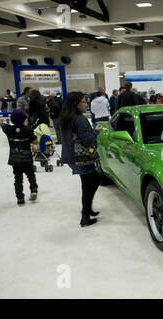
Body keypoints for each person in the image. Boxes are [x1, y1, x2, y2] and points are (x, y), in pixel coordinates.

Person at [58, 92, 103, 227]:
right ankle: (85, 216)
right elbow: (87, 140)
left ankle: (87, 209)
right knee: (92, 181)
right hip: (82, 158)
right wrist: (96, 131)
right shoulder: (80, 119)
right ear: (76, 104)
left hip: (71, 157)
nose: (86, 104)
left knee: (88, 182)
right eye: (84, 102)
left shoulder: (66, 118)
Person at [0, 110, 38, 205]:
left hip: (15, 159)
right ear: (23, 120)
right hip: (27, 159)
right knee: (30, 175)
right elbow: (35, 141)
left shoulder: (9, 129)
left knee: (18, 178)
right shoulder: (28, 130)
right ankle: (33, 190)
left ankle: (20, 198)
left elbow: (2, 124)